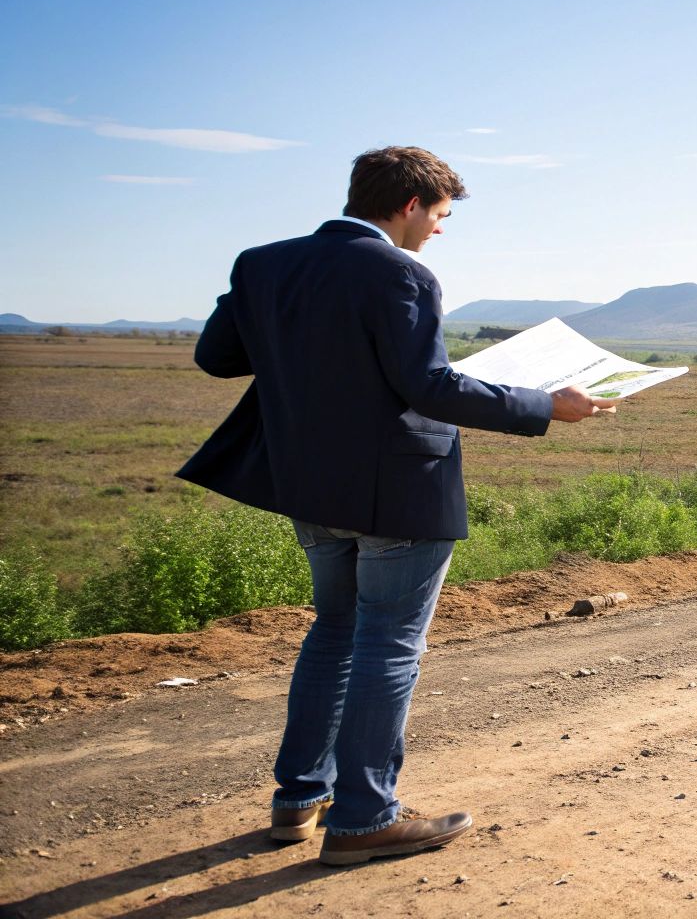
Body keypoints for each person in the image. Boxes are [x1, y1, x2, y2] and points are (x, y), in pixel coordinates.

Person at [176, 146, 618, 866]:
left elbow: (218, 357)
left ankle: (299, 802)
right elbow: (429, 387)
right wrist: (548, 406)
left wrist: (303, 337)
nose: (440, 231)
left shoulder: (260, 262)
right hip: (400, 493)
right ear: (411, 205)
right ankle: (363, 819)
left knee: (334, 632)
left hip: (307, 485)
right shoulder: (401, 271)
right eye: (441, 216)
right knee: (387, 642)